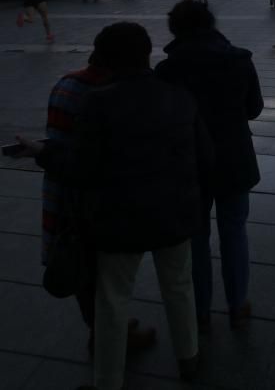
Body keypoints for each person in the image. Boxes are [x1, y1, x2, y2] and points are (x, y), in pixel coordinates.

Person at [22, 22, 211, 388]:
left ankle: (108, 379)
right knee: (179, 286)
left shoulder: (98, 103)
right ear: (147, 53)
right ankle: (189, 358)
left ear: (106, 60)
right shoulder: (178, 95)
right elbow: (205, 156)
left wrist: (44, 153)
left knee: (112, 299)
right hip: (174, 214)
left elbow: (81, 168)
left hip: (118, 221)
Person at [24, 52, 156, 358]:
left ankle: (103, 327)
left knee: (83, 267)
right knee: (105, 275)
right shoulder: (109, 96)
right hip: (99, 200)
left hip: (63, 194)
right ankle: (109, 337)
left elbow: (58, 140)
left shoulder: (65, 85)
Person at [155, 0, 263, 333]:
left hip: (188, 166)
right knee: (234, 231)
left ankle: (199, 310)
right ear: (211, 24)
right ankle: (237, 304)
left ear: (177, 29)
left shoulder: (167, 71)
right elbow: (254, 109)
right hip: (234, 160)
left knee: (196, 239)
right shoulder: (239, 60)